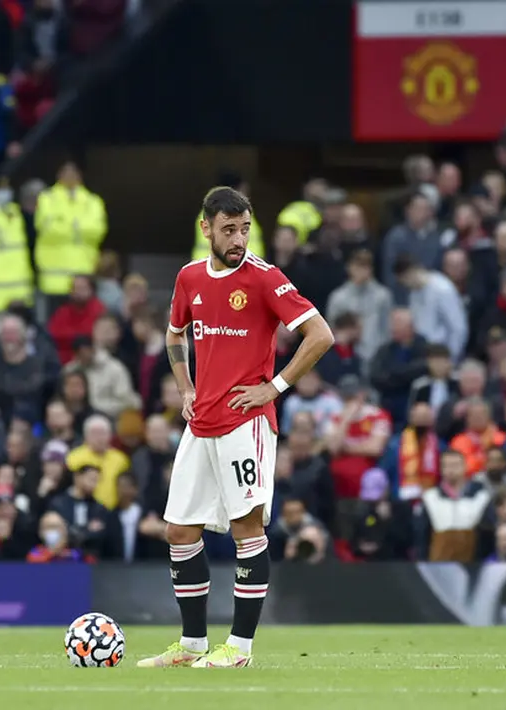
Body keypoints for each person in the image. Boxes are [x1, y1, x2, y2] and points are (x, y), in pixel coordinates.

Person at [138, 187, 333, 669]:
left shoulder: (265, 278)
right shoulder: (188, 278)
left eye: (244, 228)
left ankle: (240, 650)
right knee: (179, 530)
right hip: (201, 421)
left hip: (246, 422)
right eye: (228, 229)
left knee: (247, 529)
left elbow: (320, 335)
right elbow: (174, 334)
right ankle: (192, 644)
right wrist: (185, 388)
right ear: (206, 228)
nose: (238, 239)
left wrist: (276, 387)